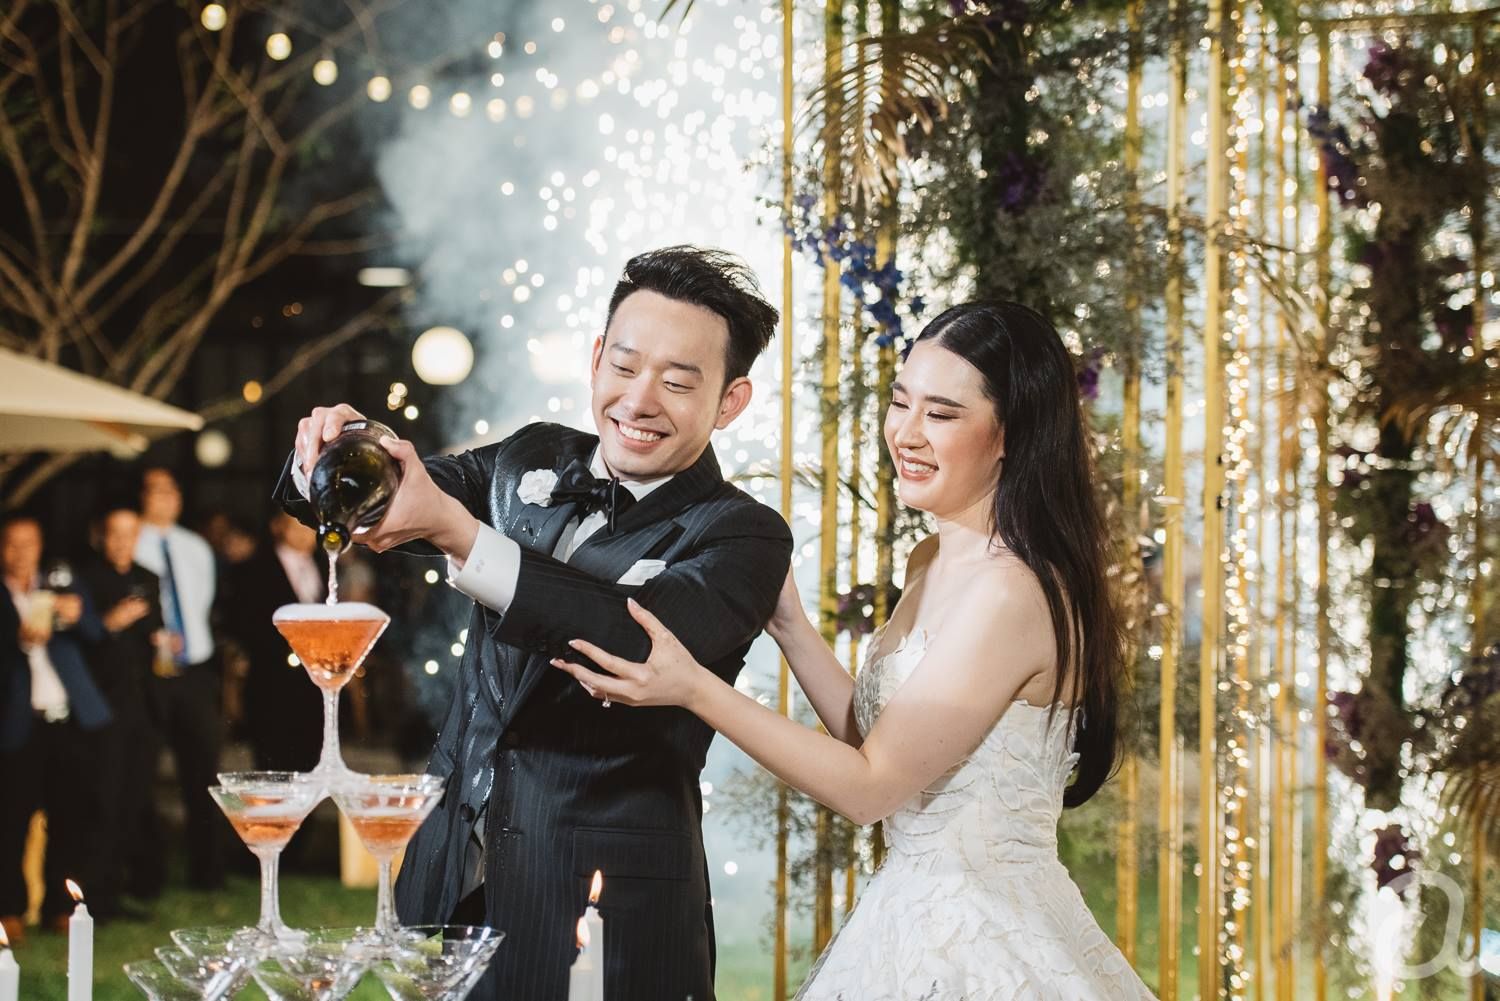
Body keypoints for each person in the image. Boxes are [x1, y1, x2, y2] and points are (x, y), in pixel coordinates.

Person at [552, 302, 1159, 999]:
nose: (907, 433)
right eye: (901, 403)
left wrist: (693, 688)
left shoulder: (1010, 592)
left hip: (980, 939)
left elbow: (871, 787)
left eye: (941, 413)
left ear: (1011, 435)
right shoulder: (934, 559)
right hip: (906, 915)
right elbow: (882, 741)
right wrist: (790, 626)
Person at [281, 246, 791, 1001]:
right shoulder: (530, 458)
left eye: (678, 382)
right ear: (596, 357)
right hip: (452, 882)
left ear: (730, 401)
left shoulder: (744, 534)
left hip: (610, 910)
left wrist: (462, 535)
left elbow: (629, 640)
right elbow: (404, 491)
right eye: (624, 365)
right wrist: (353, 446)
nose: (639, 399)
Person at [0, 516, 110, 939]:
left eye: (28, 543)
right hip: (18, 723)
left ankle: (60, 907)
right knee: (11, 819)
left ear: (40, 545)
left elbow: (96, 634)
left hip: (69, 720)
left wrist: (75, 614)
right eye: (12, 544)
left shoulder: (61, 584)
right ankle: (9, 909)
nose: (21, 553)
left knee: (70, 817)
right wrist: (18, 641)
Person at [133, 467, 224, 889]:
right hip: (148, 670)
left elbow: (202, 599)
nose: (167, 497)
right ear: (142, 496)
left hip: (195, 668)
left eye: (173, 490)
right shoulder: (131, 541)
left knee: (203, 769)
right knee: (141, 772)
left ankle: (207, 871)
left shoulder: (195, 547)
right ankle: (147, 871)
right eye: (157, 490)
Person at [78, 506, 167, 914]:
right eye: (115, 534)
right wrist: (111, 622)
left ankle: (121, 888)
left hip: (143, 703)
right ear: (102, 535)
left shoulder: (147, 577)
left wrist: (164, 643)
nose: (121, 542)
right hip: (102, 705)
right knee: (103, 799)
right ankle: (94, 895)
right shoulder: (87, 578)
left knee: (134, 796)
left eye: (130, 534)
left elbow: (155, 630)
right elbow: (83, 638)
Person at [222, 511, 324, 773]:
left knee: (311, 758)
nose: (304, 533)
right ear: (277, 527)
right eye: (296, 526)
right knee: (273, 760)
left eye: (310, 527)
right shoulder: (254, 568)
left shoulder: (324, 566)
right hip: (271, 677)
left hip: (315, 680)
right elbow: (241, 622)